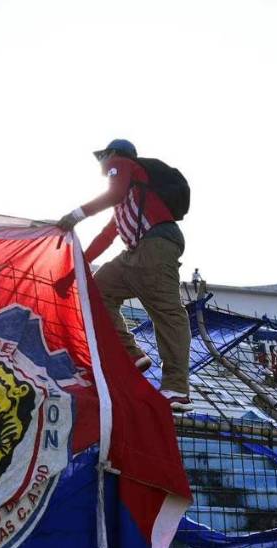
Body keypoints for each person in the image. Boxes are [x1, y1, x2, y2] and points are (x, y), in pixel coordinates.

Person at [56, 139, 192, 412]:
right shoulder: (128, 201)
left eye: (103, 158)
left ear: (113, 155)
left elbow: (114, 193)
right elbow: (106, 238)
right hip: (136, 252)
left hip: (156, 245)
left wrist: (76, 214)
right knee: (99, 290)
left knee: (167, 313)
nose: (103, 166)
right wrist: (72, 275)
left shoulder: (123, 164)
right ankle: (132, 355)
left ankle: (177, 388)